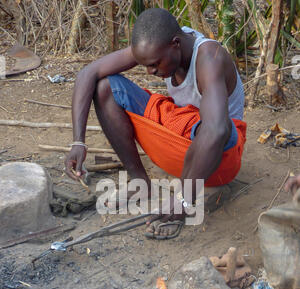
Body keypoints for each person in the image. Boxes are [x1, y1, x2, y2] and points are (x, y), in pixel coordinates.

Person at [65, 8, 247, 239]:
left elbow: (217, 131)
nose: (151, 72)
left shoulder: (210, 58)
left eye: (154, 64)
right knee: (104, 88)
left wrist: (182, 199)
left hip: (217, 159)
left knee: (214, 125)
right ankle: (140, 181)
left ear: (175, 44)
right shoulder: (158, 45)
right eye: (146, 65)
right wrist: (78, 142)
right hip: (180, 141)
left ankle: (180, 204)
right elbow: (88, 73)